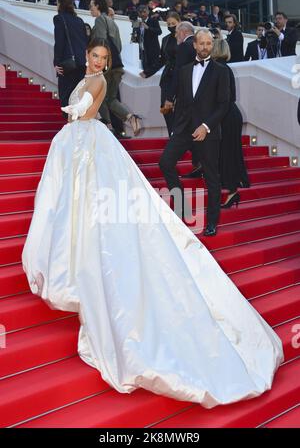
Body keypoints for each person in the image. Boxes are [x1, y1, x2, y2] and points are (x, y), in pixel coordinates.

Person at [22, 37, 283, 408]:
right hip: (74, 148)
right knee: (74, 207)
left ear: (107, 62)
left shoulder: (96, 83)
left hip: (89, 147)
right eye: (95, 56)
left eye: (104, 58)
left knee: (100, 211)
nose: (98, 62)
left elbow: (85, 114)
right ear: (87, 56)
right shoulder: (84, 79)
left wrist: (76, 109)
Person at [159, 30, 230, 237]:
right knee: (165, 163)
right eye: (202, 43)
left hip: (207, 131)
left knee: (211, 177)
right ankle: (183, 210)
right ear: (195, 45)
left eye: (209, 43)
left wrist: (206, 126)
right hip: (183, 129)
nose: (206, 47)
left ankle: (212, 223)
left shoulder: (221, 71)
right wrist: (175, 129)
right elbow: (181, 103)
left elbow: (224, 104)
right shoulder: (184, 70)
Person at [90, 0, 141, 136]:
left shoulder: (100, 20)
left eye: (92, 6)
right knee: (111, 99)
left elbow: (101, 42)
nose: (90, 9)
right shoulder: (112, 23)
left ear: (98, 6)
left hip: (105, 66)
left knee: (97, 96)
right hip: (117, 66)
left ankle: (106, 126)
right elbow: (117, 46)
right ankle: (131, 117)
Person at [211, 39, 250, 208]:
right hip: (230, 114)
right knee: (229, 152)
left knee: (228, 153)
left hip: (226, 115)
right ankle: (231, 189)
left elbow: (222, 97)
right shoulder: (224, 68)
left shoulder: (218, 69)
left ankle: (232, 191)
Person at [164, 21, 203, 179]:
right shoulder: (200, 45)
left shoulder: (184, 47)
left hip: (186, 98)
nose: (175, 36)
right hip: (201, 97)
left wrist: (169, 97)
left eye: (176, 33)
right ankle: (200, 164)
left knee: (182, 130)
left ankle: (173, 161)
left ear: (183, 32)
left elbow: (178, 74)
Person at [53, 0, 87, 116]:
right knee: (79, 99)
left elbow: (59, 42)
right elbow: (85, 42)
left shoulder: (59, 18)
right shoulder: (79, 20)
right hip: (82, 64)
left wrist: (56, 63)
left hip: (68, 65)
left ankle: (71, 129)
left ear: (60, 4)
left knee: (66, 99)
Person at [159, 12, 181, 135]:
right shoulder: (165, 39)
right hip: (167, 77)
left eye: (173, 23)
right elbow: (162, 59)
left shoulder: (186, 38)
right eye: (168, 24)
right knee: (165, 107)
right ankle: (171, 134)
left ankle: (179, 135)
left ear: (179, 22)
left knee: (180, 108)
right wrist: (147, 72)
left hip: (181, 76)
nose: (171, 26)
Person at [137, 5, 162, 79]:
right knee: (144, 69)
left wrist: (148, 28)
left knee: (153, 70)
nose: (142, 14)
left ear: (148, 12)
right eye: (141, 12)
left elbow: (159, 32)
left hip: (153, 50)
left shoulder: (153, 20)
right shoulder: (139, 23)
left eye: (144, 12)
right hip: (143, 51)